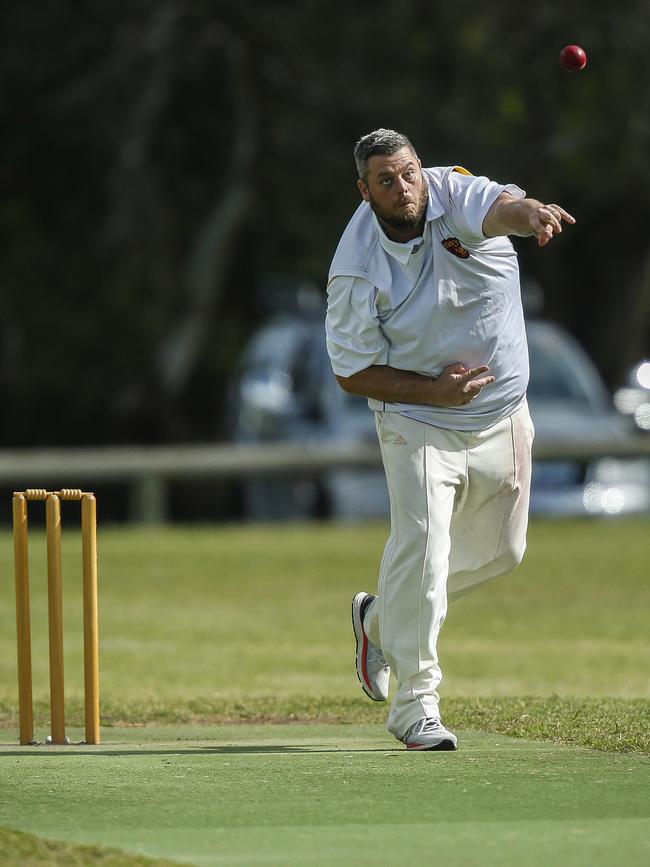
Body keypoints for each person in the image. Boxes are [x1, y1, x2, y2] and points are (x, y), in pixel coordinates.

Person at [325, 129, 575, 751]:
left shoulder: (453, 193)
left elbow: (502, 210)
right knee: (426, 551)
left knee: (503, 553)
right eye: (386, 179)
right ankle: (416, 708)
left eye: (408, 172)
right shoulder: (355, 267)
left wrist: (532, 214)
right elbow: (352, 372)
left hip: (503, 413)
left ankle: (379, 619)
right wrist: (434, 393)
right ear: (365, 190)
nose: (403, 187)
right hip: (418, 422)